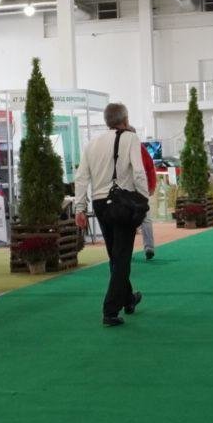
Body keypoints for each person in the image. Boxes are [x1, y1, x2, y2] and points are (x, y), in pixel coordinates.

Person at [73, 102, 150, 326]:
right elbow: (138, 171)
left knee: (116, 256)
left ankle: (128, 298)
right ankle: (110, 310)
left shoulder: (92, 143)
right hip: (122, 203)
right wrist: (143, 200)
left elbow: (81, 178)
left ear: (107, 120)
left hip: (100, 204)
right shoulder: (130, 138)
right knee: (122, 257)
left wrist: (80, 208)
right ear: (125, 120)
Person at [137, 136, 157, 260]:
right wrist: (152, 185)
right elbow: (150, 167)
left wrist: (152, 185)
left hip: (130, 188)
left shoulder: (139, 148)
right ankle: (149, 247)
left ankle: (125, 251)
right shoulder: (140, 147)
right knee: (146, 218)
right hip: (140, 187)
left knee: (126, 221)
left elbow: (149, 167)